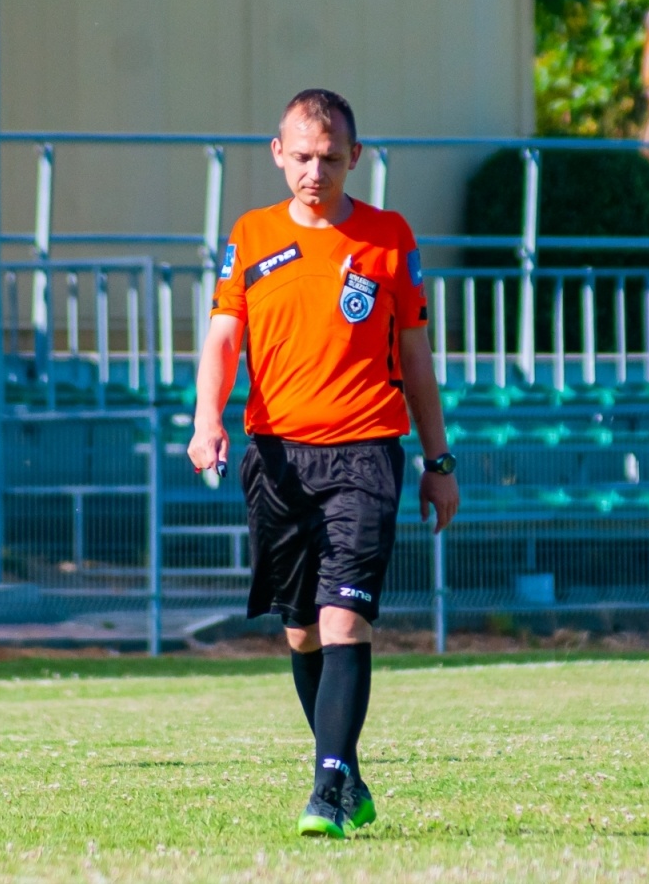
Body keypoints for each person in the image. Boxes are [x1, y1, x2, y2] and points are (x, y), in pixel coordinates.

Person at [187, 89, 460, 839]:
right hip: (276, 458)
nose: (315, 172)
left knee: (344, 618)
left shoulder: (387, 237)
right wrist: (208, 416)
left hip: (368, 452)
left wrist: (438, 459)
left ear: (354, 158)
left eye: (330, 159)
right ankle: (348, 775)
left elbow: (414, 354)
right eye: (302, 157)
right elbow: (221, 338)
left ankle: (329, 787)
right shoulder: (251, 235)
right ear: (278, 153)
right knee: (302, 630)